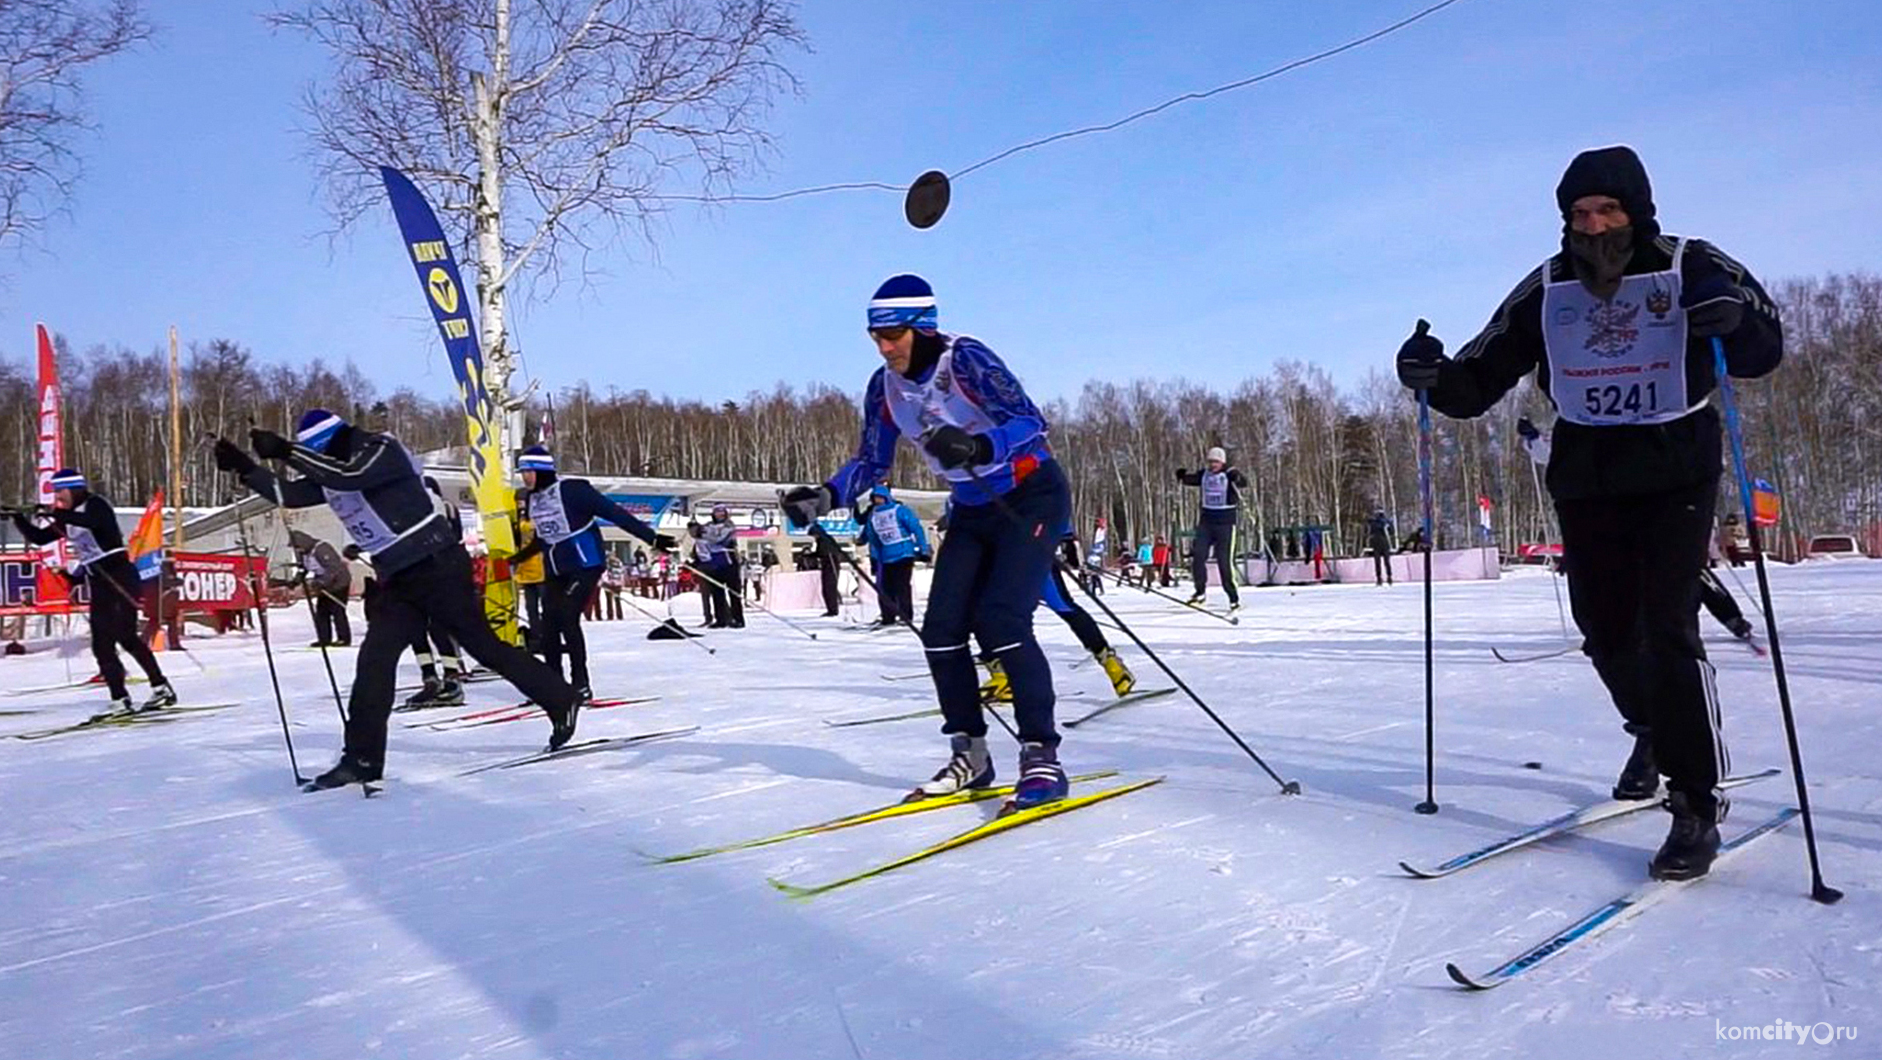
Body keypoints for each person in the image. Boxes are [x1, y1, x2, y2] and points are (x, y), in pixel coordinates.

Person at [1394, 145, 1783, 879]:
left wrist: (1728, 318)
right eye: (1580, 213)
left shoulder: (1690, 262)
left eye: (1608, 209)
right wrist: (1429, 374)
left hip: (1676, 465)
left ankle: (1696, 802)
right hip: (1589, 470)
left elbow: (1765, 347)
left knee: (1666, 625)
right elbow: (1477, 380)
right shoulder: (1547, 286)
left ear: (1638, 210)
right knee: (1604, 630)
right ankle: (1653, 730)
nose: (1594, 224)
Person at [783, 273, 1072, 809]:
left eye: (893, 334)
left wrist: (979, 444)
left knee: (1003, 619)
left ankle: (1042, 758)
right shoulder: (884, 387)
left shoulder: (966, 360)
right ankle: (973, 755)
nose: (884, 346)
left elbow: (1031, 422)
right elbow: (872, 460)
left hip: (1029, 495)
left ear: (922, 326)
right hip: (969, 505)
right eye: (875, 336)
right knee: (939, 630)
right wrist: (825, 495)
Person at [214, 410, 583, 790]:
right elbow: (290, 495)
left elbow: (349, 476)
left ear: (333, 441)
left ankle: (560, 698)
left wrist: (286, 451)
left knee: (484, 648)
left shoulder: (379, 448)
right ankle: (362, 759)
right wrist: (244, 467)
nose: (319, 459)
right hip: (399, 577)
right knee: (374, 660)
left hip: (437, 564)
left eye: (317, 451)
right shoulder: (333, 468)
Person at [6, 469, 176, 718]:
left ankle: (160, 687)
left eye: (60, 492)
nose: (58, 498)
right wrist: (18, 518)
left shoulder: (96, 505)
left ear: (74, 489)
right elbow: (42, 538)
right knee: (102, 644)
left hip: (119, 576)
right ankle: (120, 699)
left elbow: (92, 523)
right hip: (98, 581)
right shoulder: (67, 515)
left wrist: (52, 512)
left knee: (125, 636)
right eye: (54, 494)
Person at [511, 445, 671, 697]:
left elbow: (615, 513)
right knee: (548, 623)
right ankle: (553, 684)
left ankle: (581, 683)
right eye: (522, 472)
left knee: (566, 616)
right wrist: (517, 558)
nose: (525, 478)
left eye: (529, 472)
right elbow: (544, 538)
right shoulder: (534, 499)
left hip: (585, 564)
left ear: (542, 471)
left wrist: (652, 538)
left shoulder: (573, 490)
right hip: (555, 568)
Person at [982, 534, 1137, 704]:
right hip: (994, 560)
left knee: (1063, 606)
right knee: (985, 612)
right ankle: (1003, 675)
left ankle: (1113, 666)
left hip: (1033, 555)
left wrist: (1067, 542)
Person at [399, 476, 470, 708]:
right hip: (414, 571)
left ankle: (450, 677)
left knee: (437, 625)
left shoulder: (444, 507)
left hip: (440, 570)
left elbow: (455, 537)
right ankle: (430, 677)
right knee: (415, 626)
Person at [1176, 447, 1247, 610]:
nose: (1213, 465)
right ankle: (1200, 592)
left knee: (1224, 562)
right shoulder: (1204, 475)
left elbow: (1243, 482)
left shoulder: (1229, 474)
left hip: (1226, 523)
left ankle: (1233, 597)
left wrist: (1237, 477)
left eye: (1216, 462)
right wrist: (1182, 476)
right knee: (1198, 557)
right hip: (1206, 522)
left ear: (1222, 462)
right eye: (1210, 461)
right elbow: (1191, 479)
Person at [855, 483, 930, 628]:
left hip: (904, 553)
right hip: (885, 556)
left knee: (901, 586)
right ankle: (888, 616)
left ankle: (905, 616)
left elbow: (916, 528)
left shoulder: (899, 510)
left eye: (880, 498)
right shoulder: (873, 515)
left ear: (886, 497)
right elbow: (873, 537)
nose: (878, 501)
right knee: (885, 588)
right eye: (875, 498)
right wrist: (874, 556)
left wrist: (923, 549)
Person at [288, 529, 353, 647]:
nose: (297, 549)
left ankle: (344, 638)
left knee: (337, 610)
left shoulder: (322, 548)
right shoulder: (302, 553)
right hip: (322, 583)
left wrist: (322, 582)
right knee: (322, 612)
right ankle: (324, 639)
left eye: (297, 546)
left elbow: (333, 568)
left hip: (338, 582)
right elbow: (302, 568)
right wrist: (296, 581)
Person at [697, 504, 743, 628]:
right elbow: (700, 539)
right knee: (717, 592)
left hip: (729, 559)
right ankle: (721, 619)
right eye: (717, 512)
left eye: (722, 512)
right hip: (714, 561)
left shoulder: (729, 525)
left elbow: (721, 539)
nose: (719, 515)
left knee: (733, 591)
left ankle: (738, 618)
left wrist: (706, 535)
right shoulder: (708, 525)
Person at [513, 489, 547, 650]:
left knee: (546, 606)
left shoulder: (539, 517)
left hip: (541, 567)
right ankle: (536, 637)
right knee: (530, 608)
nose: (520, 504)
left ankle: (548, 635)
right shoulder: (518, 519)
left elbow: (538, 542)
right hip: (525, 570)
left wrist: (518, 557)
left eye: (522, 500)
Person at [1366, 509, 1395, 586]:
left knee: (1379, 562)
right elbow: (1391, 532)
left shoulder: (1376, 523)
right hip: (1383, 544)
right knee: (1385, 562)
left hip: (1378, 544)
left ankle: (1381, 577)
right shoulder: (1383, 523)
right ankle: (1387, 577)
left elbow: (1391, 532)